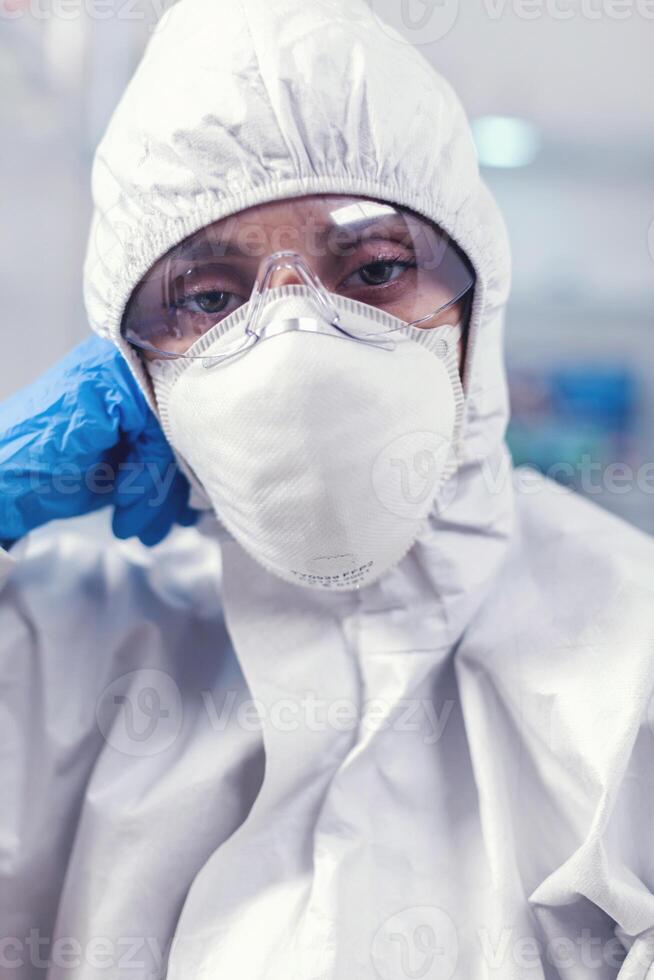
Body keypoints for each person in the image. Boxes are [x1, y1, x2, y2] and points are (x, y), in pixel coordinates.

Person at [2, 0, 654, 977]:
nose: (301, 344)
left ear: (479, 306)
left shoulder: (631, 657)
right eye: (213, 298)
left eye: (377, 269)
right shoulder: (64, 649)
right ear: (137, 365)